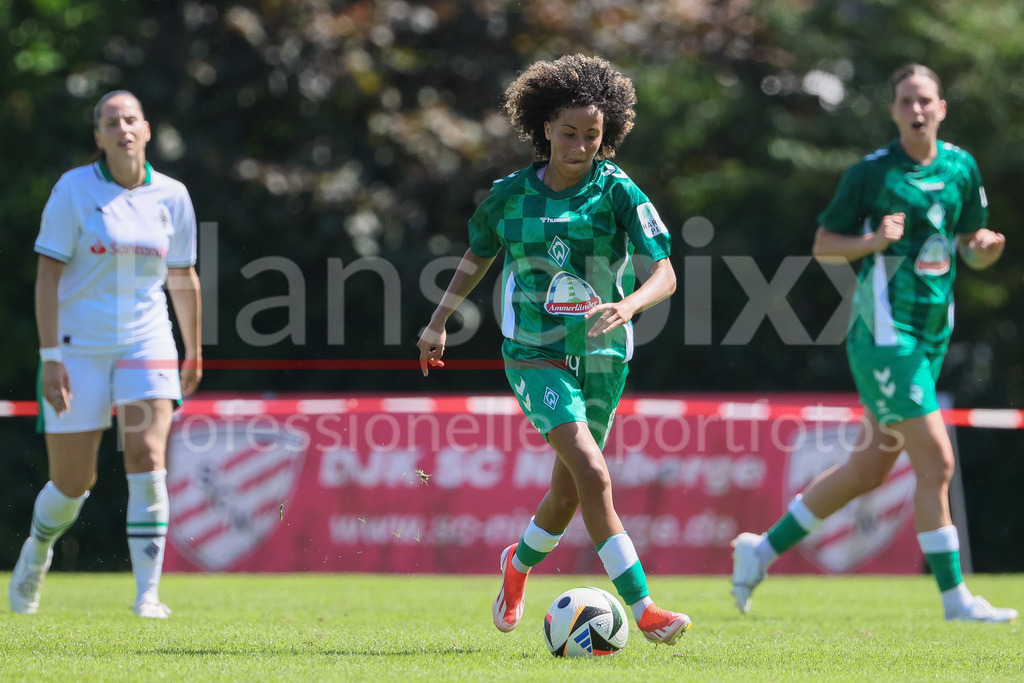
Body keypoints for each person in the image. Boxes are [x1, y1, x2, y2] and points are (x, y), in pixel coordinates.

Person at [417, 54, 690, 645]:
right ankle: (645, 610)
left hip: (603, 354)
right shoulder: (510, 196)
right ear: (544, 127)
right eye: (569, 132)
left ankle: (516, 567)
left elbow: (665, 273)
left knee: (570, 489)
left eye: (593, 135)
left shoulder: (617, 190)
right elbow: (478, 254)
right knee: (593, 471)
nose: (581, 145)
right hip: (532, 352)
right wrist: (439, 321)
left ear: (607, 133)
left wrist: (628, 304)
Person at [730, 65, 1017, 623]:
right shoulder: (872, 174)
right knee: (935, 459)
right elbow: (822, 246)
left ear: (942, 108)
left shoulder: (961, 167)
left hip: (931, 336)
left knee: (868, 472)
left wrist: (985, 249)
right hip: (885, 338)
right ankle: (956, 600)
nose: (916, 109)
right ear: (893, 111)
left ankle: (758, 550)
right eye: (906, 101)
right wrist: (871, 241)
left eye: (925, 100)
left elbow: (971, 245)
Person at [8, 90, 202, 619]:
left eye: (131, 119)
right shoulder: (72, 190)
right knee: (74, 483)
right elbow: (48, 276)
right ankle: (37, 551)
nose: (123, 129)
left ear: (146, 128)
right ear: (98, 136)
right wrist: (50, 356)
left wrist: (193, 350)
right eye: (111, 122)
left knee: (147, 456)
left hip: (147, 343)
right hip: (77, 348)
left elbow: (182, 276)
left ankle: (147, 595)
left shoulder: (173, 195)